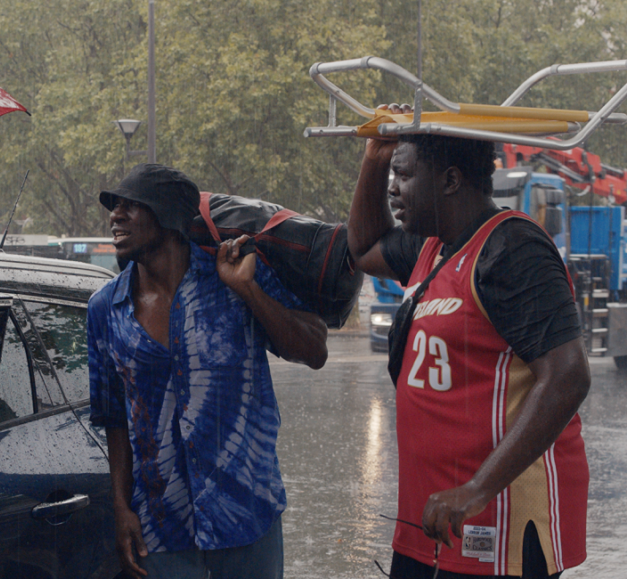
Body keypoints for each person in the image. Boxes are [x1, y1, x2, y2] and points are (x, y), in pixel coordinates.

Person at [347, 111, 590, 579]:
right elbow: (363, 249)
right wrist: (375, 159)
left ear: (451, 180)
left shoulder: (512, 248)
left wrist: (478, 488)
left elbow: (567, 376)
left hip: (495, 516)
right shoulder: (429, 246)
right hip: (431, 516)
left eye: (404, 174)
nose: (393, 188)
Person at [88, 163, 328, 579]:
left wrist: (248, 290)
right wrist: (121, 506)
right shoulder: (105, 308)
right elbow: (113, 417)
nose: (116, 216)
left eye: (132, 206)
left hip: (246, 513)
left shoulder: (233, 276)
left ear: (169, 216)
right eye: (115, 207)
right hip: (161, 526)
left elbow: (314, 351)